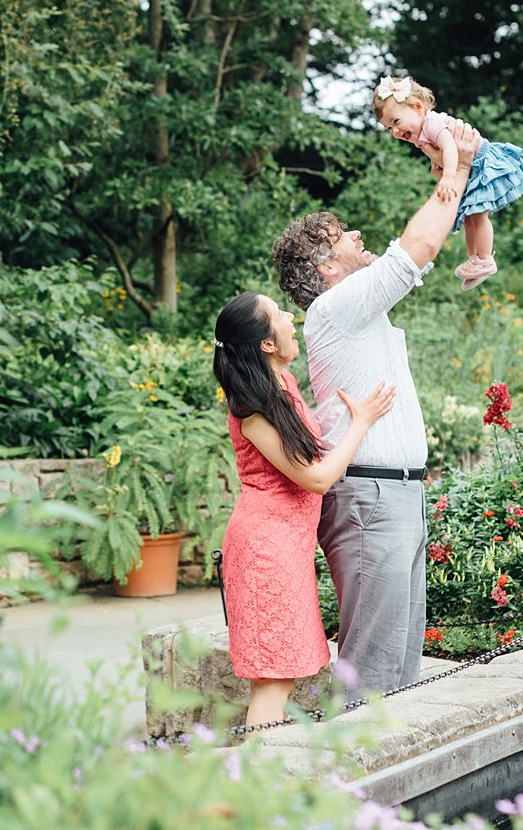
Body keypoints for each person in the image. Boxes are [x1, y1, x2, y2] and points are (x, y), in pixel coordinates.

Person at [269, 120, 482, 697]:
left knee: (401, 659)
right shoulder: (336, 307)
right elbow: (418, 248)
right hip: (370, 497)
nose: (357, 233)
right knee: (372, 666)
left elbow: (421, 248)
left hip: (397, 493)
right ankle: (347, 777)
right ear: (325, 270)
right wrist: (457, 169)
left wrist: (449, 170)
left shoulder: (359, 309)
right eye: (342, 235)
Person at [212, 291, 397, 729]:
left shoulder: (281, 384)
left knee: (283, 674)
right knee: (273, 681)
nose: (290, 318)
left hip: (285, 548)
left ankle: (263, 782)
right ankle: (258, 787)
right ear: (266, 344)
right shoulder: (251, 408)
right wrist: (362, 423)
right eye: (280, 315)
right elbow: (314, 477)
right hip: (264, 552)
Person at [372, 75, 523, 290]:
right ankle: (474, 260)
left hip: (482, 162)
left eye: (396, 122)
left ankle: (485, 259)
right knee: (469, 216)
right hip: (470, 166)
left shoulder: (431, 123)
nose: (394, 131)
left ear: (418, 107)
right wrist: (438, 168)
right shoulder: (421, 131)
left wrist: (448, 177)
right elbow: (441, 155)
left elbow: (449, 148)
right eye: (388, 128)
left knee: (478, 213)